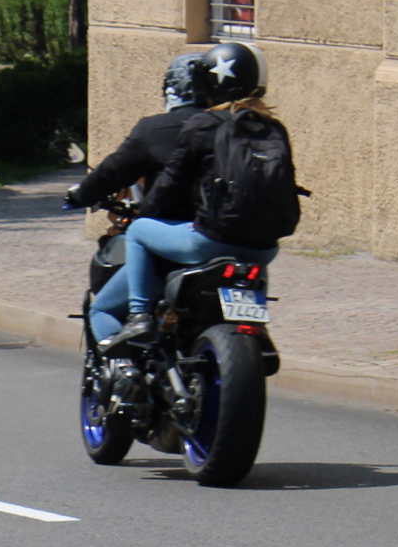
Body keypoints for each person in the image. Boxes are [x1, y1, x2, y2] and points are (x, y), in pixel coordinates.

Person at [103, 41, 290, 349]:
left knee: (138, 232)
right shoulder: (272, 128)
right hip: (266, 248)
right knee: (250, 249)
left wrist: (147, 213)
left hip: (209, 240)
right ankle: (257, 324)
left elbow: (169, 184)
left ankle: (138, 316)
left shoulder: (203, 124)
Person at [65, 52, 207, 340]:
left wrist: (81, 194)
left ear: (172, 90)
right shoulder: (229, 127)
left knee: (101, 310)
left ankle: (127, 366)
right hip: (229, 241)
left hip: (175, 246)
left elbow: (114, 170)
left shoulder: (155, 129)